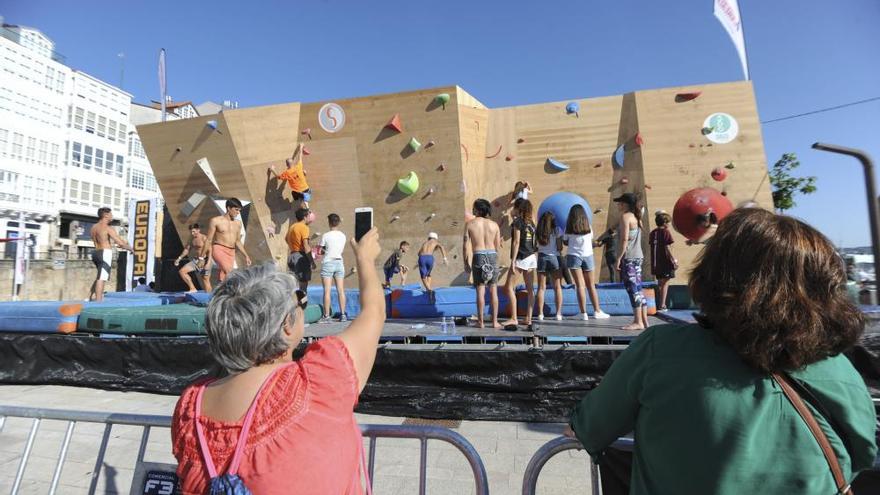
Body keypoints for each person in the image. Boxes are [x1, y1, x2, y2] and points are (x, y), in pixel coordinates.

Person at [567, 208, 877, 495]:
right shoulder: (841, 373)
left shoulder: (660, 351)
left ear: (715, 276)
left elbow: (588, 427)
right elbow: (860, 458)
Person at [172, 227, 385, 494]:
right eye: (300, 301)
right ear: (286, 324)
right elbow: (374, 312)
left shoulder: (189, 407)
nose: (302, 306)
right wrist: (365, 260)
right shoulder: (320, 380)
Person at [563, 204, 610, 321]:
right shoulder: (588, 226)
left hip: (574, 256)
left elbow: (565, 242)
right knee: (591, 285)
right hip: (588, 256)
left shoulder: (568, 228)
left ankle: (583, 313)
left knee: (580, 285)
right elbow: (590, 240)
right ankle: (597, 311)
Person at [463, 198, 502, 329]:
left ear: (478, 209)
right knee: (493, 289)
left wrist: (465, 262)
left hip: (478, 255)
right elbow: (497, 247)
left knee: (480, 289)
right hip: (492, 255)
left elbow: (465, 245)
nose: (472, 210)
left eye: (474, 208)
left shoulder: (470, 224)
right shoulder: (494, 225)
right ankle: (495, 322)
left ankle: (481, 322)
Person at [501, 199, 538, 328]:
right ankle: (529, 317)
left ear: (519, 209)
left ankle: (514, 318)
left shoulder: (518, 222)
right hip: (532, 256)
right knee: (530, 289)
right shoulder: (532, 223)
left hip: (521, 257)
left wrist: (513, 261)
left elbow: (516, 242)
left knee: (509, 287)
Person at [614, 193, 647, 330]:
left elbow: (624, 239)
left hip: (630, 257)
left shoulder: (626, 217)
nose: (618, 205)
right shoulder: (637, 217)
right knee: (638, 288)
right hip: (638, 256)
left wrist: (619, 258)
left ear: (625, 204)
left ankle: (638, 321)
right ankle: (644, 321)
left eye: (620, 202)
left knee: (632, 289)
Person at [200, 198, 251, 282]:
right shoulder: (215, 221)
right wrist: (201, 258)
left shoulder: (238, 223)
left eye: (239, 210)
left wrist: (246, 255)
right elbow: (208, 240)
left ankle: (221, 292)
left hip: (231, 252)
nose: (238, 212)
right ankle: (236, 293)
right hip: (219, 249)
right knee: (230, 272)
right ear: (228, 208)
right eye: (236, 210)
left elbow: (237, 241)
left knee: (224, 276)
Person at [89, 207, 131, 302]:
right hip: (105, 253)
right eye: (111, 214)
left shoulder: (93, 227)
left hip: (95, 253)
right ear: (106, 215)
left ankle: (94, 297)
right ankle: (99, 302)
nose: (112, 216)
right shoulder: (107, 228)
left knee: (100, 275)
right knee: (102, 277)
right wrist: (131, 249)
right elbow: (120, 242)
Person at [535, 211, 564, 321]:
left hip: (542, 257)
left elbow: (536, 246)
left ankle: (540, 314)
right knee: (557, 287)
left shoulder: (538, 231)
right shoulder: (557, 230)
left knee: (541, 288)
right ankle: (558, 314)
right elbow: (560, 247)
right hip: (554, 258)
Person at [319, 213, 348, 322]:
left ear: (329, 222)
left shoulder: (326, 235)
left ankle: (327, 316)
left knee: (327, 290)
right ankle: (343, 314)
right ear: (338, 222)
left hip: (328, 262)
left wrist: (321, 251)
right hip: (339, 262)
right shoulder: (343, 235)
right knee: (341, 290)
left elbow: (321, 250)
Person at [649, 211, 677, 311]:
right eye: (669, 222)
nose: (669, 224)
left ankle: (659, 304)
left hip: (656, 263)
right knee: (665, 283)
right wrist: (673, 260)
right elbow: (667, 247)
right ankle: (662, 305)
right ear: (665, 223)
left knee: (660, 282)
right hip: (665, 262)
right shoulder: (666, 232)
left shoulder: (653, 233)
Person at [268, 143, 311, 208]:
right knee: (303, 172)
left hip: (298, 191)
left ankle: (299, 199)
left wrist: (272, 170)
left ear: (286, 165)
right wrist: (301, 147)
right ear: (293, 163)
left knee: (294, 193)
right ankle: (306, 205)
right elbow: (300, 156)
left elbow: (278, 177)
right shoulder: (298, 166)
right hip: (306, 189)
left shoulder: (287, 173)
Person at [175, 223, 211, 292]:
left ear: (198, 230)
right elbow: (187, 249)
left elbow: (210, 251)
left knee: (205, 279)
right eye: (191, 232)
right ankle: (192, 288)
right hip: (196, 261)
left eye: (194, 231)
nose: (192, 233)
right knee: (182, 271)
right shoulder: (192, 239)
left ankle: (209, 298)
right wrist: (179, 258)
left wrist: (208, 263)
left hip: (205, 260)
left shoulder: (204, 238)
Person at [285, 208, 315, 293]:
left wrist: (294, 247)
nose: (310, 217)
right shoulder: (304, 227)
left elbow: (286, 239)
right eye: (309, 216)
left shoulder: (292, 227)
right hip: (300, 257)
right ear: (305, 217)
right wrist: (311, 261)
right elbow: (306, 246)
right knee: (303, 285)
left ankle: (292, 303)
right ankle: (302, 304)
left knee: (293, 283)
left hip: (292, 256)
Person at [417, 233, 448, 302]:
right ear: (435, 238)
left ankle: (429, 290)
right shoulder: (436, 242)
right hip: (430, 258)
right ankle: (429, 289)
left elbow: (418, 253)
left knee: (423, 276)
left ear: (429, 237)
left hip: (422, 258)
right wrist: (445, 258)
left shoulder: (425, 243)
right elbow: (442, 247)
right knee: (428, 274)